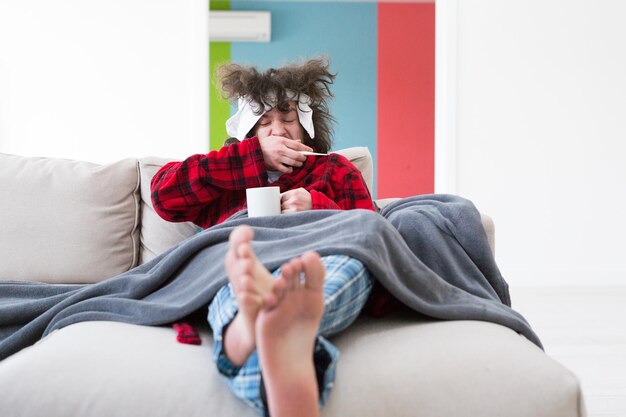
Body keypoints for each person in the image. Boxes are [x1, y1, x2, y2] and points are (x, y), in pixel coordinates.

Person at [150, 58, 377, 417]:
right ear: (249, 133)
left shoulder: (335, 170)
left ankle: (247, 333)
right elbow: (164, 195)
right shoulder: (229, 173)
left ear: (306, 129)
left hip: (317, 263)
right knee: (231, 278)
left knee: (347, 268)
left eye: (288, 120)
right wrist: (250, 159)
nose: (278, 131)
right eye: (264, 124)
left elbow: (373, 235)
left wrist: (319, 206)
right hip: (244, 262)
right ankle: (267, 326)